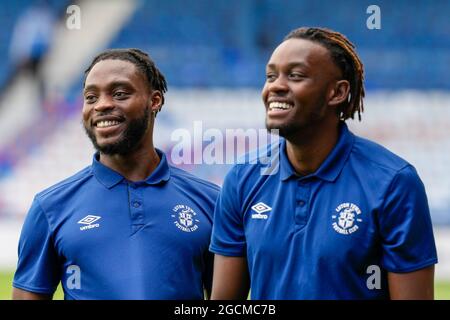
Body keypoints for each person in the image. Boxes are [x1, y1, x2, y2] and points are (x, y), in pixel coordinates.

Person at [209, 27, 437, 300]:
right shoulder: (242, 179)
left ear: (337, 93)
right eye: (271, 76)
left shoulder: (394, 183)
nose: (275, 86)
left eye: (295, 75)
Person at [12, 48, 219, 300]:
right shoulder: (50, 207)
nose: (102, 105)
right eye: (90, 97)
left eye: (119, 93)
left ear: (155, 101)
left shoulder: (211, 201)